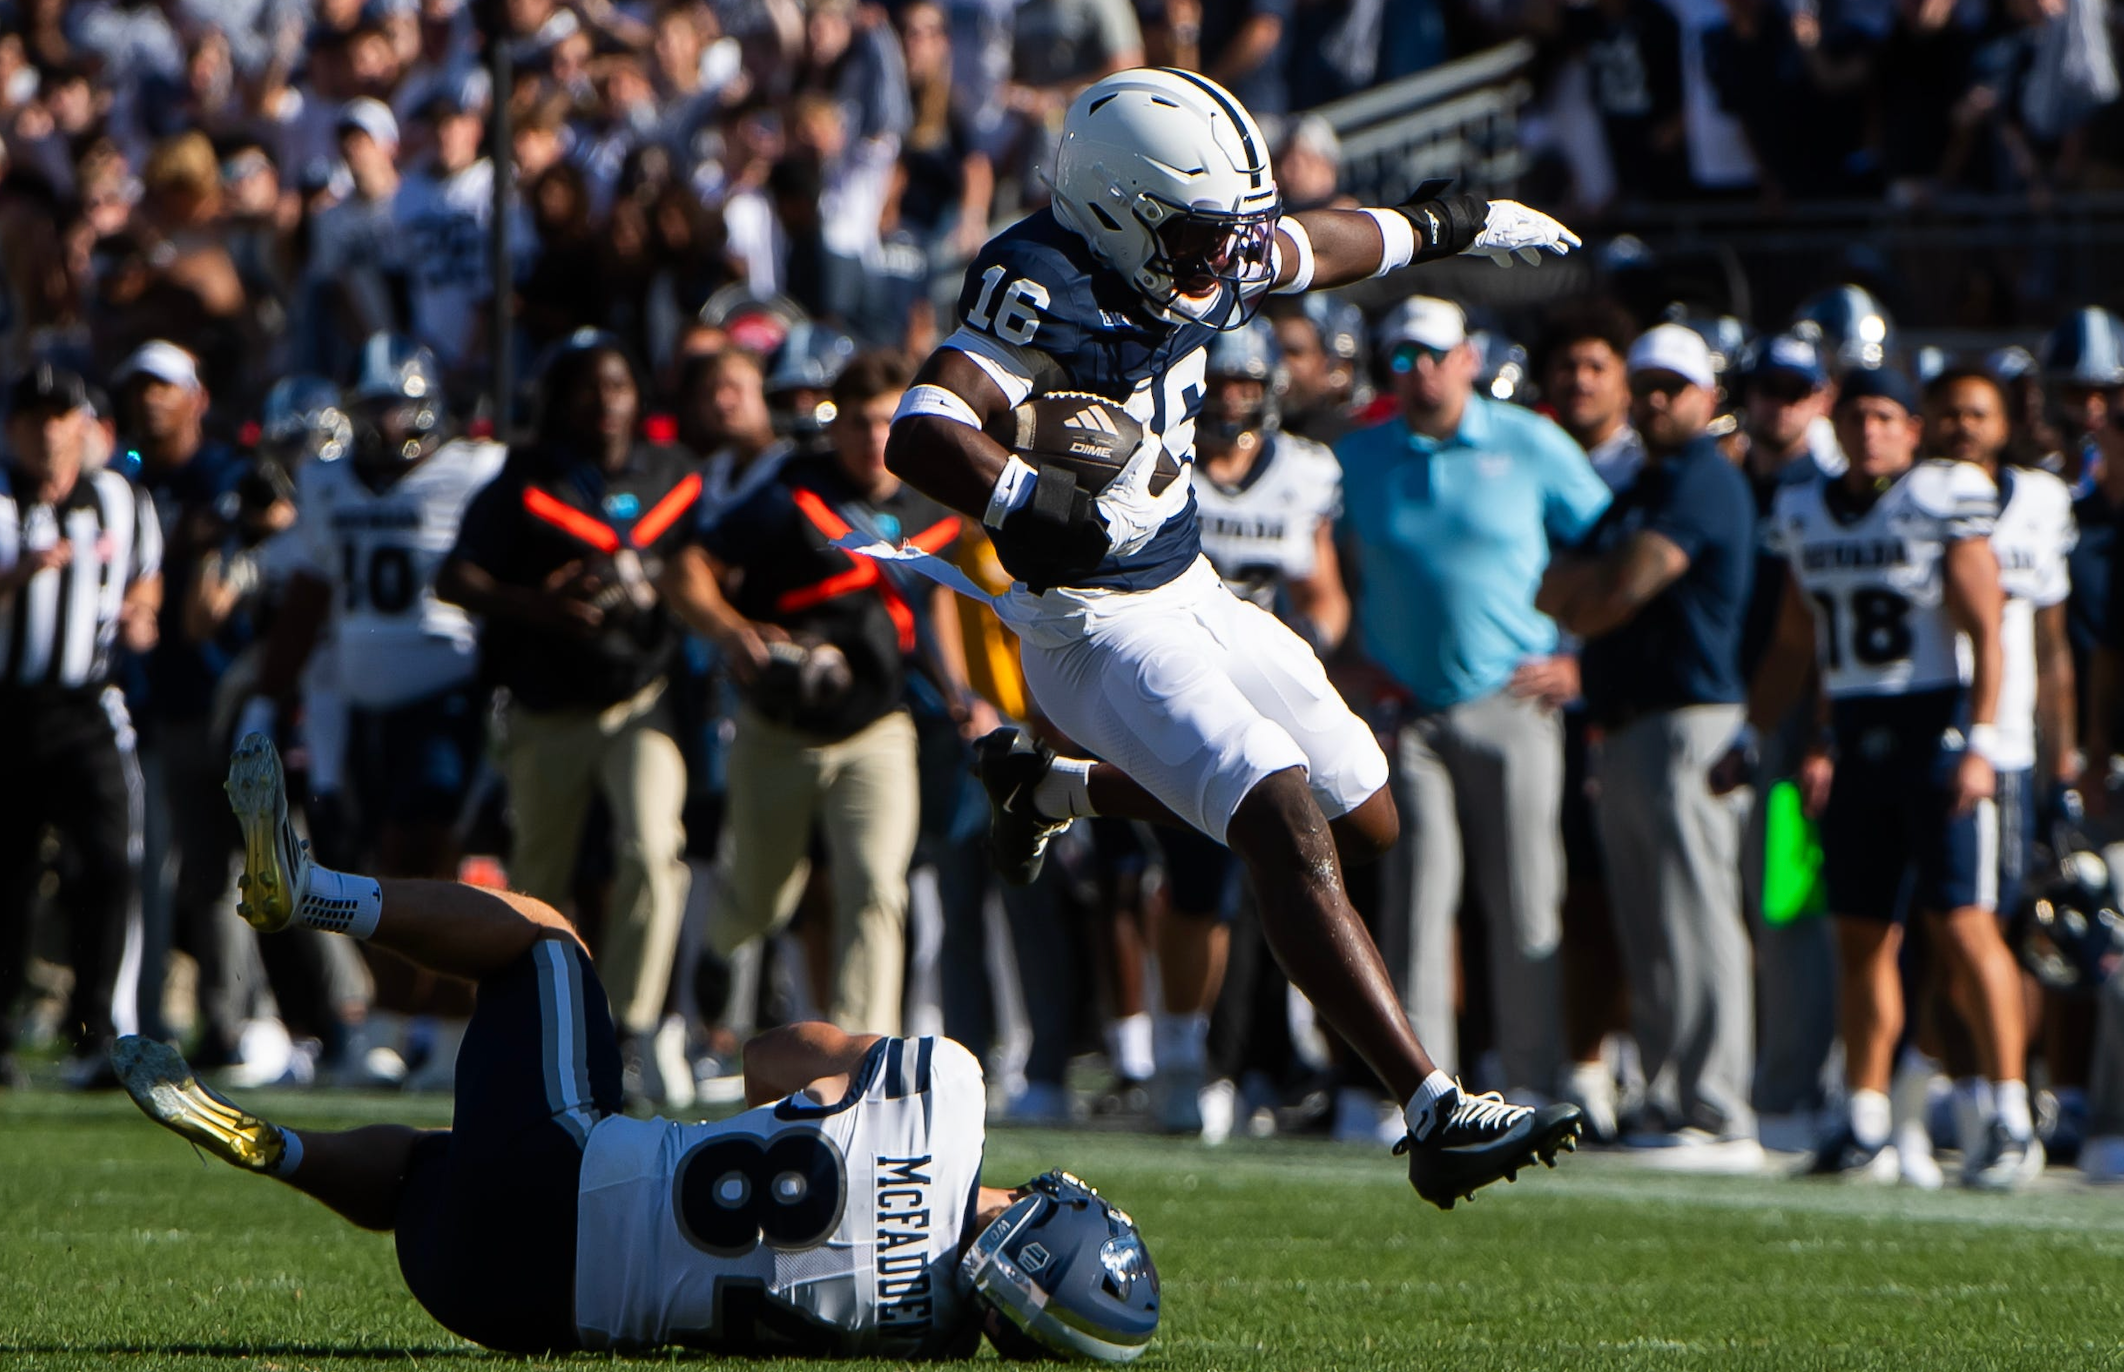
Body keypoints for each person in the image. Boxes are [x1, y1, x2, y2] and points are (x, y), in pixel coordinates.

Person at [883, 67, 1587, 1207]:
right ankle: (1434, 1108)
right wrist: (1027, 499)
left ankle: (1057, 793)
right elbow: (924, 427)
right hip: (1097, 622)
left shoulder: (1190, 243)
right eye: (1203, 237)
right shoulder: (1043, 277)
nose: (1224, 260)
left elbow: (1317, 244)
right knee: (1283, 820)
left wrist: (1450, 224)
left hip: (1194, 585)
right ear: (1119, 207)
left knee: (1370, 816)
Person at [110, 733, 1160, 1362]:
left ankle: (312, 892)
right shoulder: (922, 1336)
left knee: (544, 942)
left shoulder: (950, 1093)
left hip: (566, 1166)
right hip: (501, 1299)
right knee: (433, 1166)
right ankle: (276, 1147)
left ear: (1046, 1220)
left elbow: (766, 1054)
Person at [1712, 365, 2040, 1189]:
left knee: (1963, 926)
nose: (1870, 431)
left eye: (1887, 417)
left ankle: (2010, 1114)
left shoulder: (1942, 498)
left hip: (1935, 728)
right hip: (1857, 734)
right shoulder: (1803, 509)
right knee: (1861, 934)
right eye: (1858, 416)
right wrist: (1758, 734)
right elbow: (1796, 641)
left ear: (1913, 427)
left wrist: (1984, 739)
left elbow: (1988, 629)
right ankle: (1862, 1117)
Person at [1340, 295, 1611, 1110]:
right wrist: (1347, 660)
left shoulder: (1527, 440)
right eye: (1402, 359)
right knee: (1415, 905)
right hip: (1405, 713)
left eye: (1434, 356)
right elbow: (1331, 569)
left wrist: (1578, 657)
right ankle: (1424, 1096)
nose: (1420, 373)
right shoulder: (1359, 456)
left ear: (1468, 359)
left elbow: (1609, 542)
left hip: (1514, 700)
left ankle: (1532, 1081)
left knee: (1528, 898)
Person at [665, 351, 979, 1037]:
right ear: (834, 429)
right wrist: (731, 629)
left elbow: (933, 602)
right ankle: (719, 949)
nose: (874, 440)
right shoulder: (791, 494)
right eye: (862, 424)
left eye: (888, 423)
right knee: (764, 897)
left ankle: (860, 1055)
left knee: (876, 887)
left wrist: (959, 690)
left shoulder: (927, 499)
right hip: (780, 726)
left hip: (877, 727)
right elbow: (687, 568)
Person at [435, 332, 699, 1101]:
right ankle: (534, 1029)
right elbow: (454, 575)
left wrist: (660, 590)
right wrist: (537, 606)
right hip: (550, 706)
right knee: (538, 884)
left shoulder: (670, 473)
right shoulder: (527, 477)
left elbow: (706, 563)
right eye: (590, 389)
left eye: (618, 387)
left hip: (641, 698)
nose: (607, 404)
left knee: (655, 850)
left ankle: (629, 1032)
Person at [1541, 324, 1759, 1170]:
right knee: (1650, 921)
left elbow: (1614, 592)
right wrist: (1595, 594)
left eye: (1676, 386)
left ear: (1710, 398)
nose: (1660, 400)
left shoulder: (1703, 479)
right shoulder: (1642, 486)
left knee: (1698, 915)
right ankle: (1669, 1093)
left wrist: (1596, 595)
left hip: (1689, 720)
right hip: (1630, 722)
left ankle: (1716, 1104)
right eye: (1650, 385)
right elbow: (1561, 590)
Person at [1149, 317, 1349, 1142]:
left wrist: (1311, 650)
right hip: (1174, 686)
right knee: (1195, 888)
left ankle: (1270, 1056)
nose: (1231, 401)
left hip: (1262, 687)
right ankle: (1179, 1051)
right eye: (1219, 384)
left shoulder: (1304, 471)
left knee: (1301, 859)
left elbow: (1324, 590)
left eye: (1244, 384)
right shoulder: (1163, 464)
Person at [242, 335, 505, 881]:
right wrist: (266, 699)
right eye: (373, 406)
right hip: (361, 704)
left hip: (445, 693)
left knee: (421, 853)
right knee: (365, 862)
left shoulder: (473, 471)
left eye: (398, 405)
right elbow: (309, 595)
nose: (386, 422)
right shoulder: (326, 480)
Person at [1918, 365, 2078, 1185]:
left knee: (1998, 930)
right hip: (1932, 740)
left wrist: (2066, 752)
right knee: (1943, 931)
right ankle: (1971, 1096)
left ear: (2004, 422)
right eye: (1946, 412)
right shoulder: (1910, 497)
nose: (1961, 427)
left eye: (1976, 413)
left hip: (2006, 745)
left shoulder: (2042, 502)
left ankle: (2015, 1105)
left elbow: (2050, 645)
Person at [0, 364, 161, 1087]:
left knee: (109, 863)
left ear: (83, 426)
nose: (46, 431)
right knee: (6, 877)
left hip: (87, 708)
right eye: (32, 417)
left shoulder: (120, 498)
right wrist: (16, 578)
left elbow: (145, 571)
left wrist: (142, 611)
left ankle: (97, 1030)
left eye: (59, 416)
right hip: (6, 708)